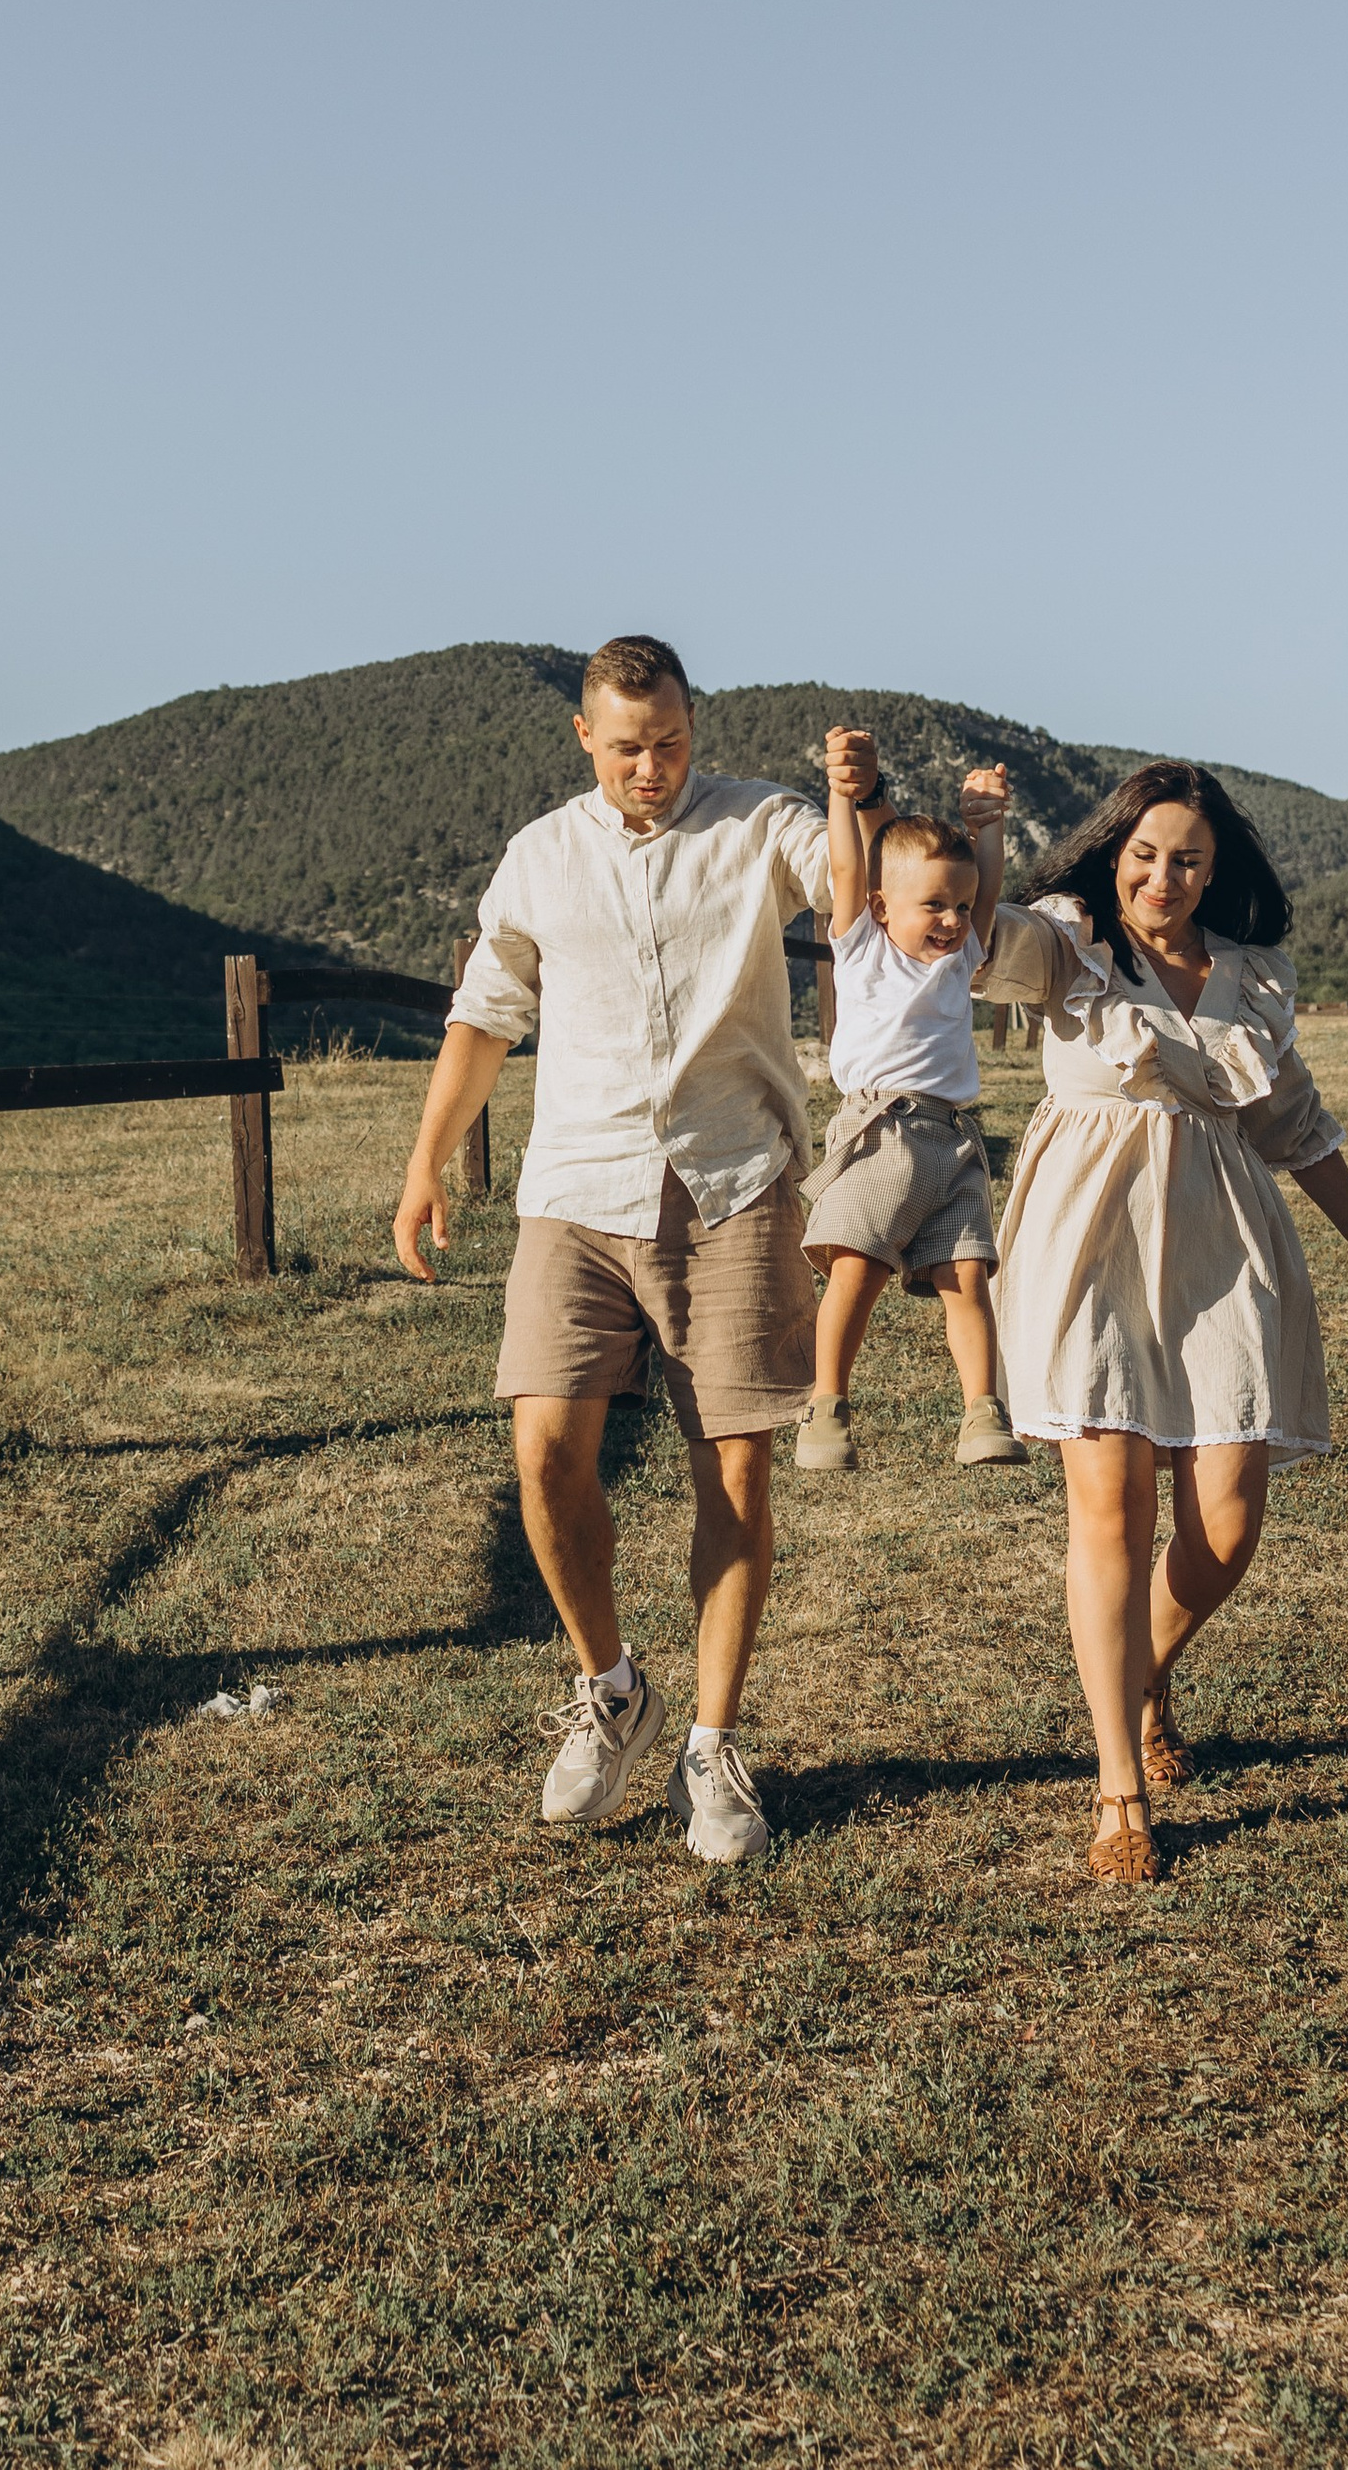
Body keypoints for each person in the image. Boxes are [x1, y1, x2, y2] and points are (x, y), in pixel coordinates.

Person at [394, 638, 913, 1865]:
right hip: (574, 1187)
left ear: (695, 726)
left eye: (670, 742)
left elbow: (859, 895)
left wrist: (861, 797)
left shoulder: (758, 826)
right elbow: (484, 1019)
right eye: (627, 746)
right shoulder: (540, 856)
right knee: (545, 1452)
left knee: (733, 1475)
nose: (651, 766)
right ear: (585, 737)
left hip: (732, 1182)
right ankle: (611, 1688)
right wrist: (425, 1163)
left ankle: (710, 1744)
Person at [980, 764, 1348, 1888]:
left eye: (1186, 859)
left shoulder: (1250, 977)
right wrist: (978, 836)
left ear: (1214, 870)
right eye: (1143, 854)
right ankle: (1118, 1787)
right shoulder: (1066, 944)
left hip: (1224, 1245)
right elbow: (979, 933)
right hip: (1087, 1241)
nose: (1162, 877)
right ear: (1111, 853)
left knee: (1224, 1526)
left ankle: (1139, 1669)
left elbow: (1295, 1120)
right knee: (1110, 1506)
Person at [794, 731, 1025, 1474]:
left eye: (958, 906)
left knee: (968, 1280)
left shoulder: (961, 961)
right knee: (854, 1273)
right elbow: (842, 861)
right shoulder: (861, 949)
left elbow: (986, 889)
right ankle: (827, 1409)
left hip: (954, 1143)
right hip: (880, 1134)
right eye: (934, 905)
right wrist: (841, 795)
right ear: (880, 906)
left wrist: (988, 828)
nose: (954, 919)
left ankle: (983, 1413)